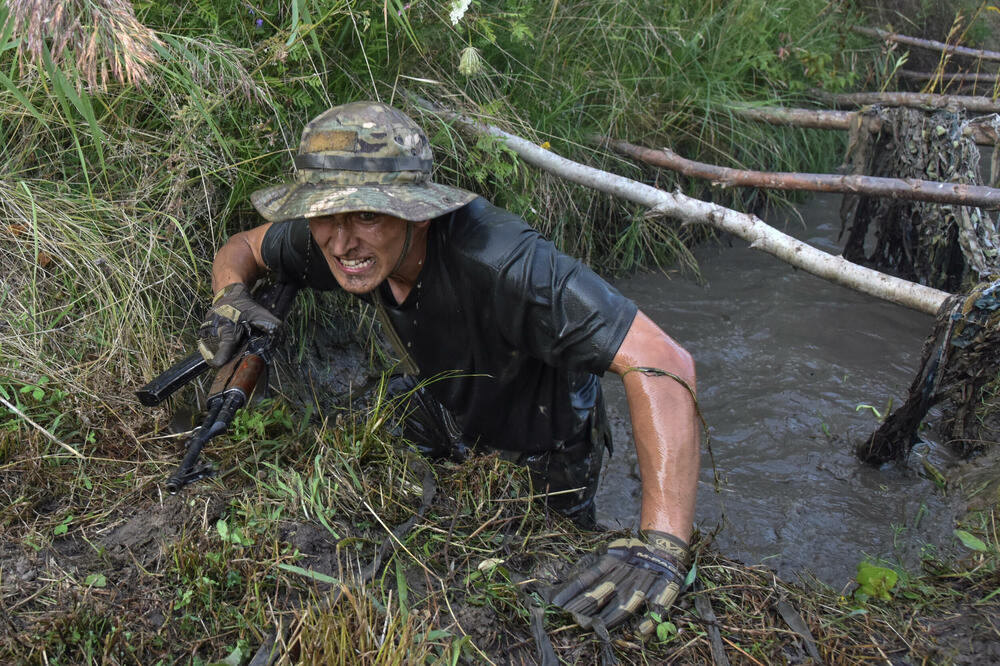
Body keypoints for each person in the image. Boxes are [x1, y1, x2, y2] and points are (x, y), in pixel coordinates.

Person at [197, 101, 699, 632]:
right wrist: (229, 296)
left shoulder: (505, 261)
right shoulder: (332, 239)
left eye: (367, 214)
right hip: (444, 400)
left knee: (549, 569)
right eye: (324, 214)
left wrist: (662, 543)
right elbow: (244, 247)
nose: (342, 244)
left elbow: (663, 360)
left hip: (545, 429)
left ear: (415, 210)